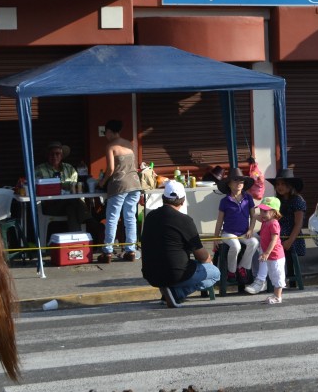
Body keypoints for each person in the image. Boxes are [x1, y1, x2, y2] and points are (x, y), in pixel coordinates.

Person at [141, 180, 220, 308]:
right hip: (175, 273)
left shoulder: (150, 217)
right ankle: (176, 292)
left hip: (151, 274)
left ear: (163, 198)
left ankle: (168, 292)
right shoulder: (184, 220)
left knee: (192, 265)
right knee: (215, 273)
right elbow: (202, 256)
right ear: (183, 201)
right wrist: (208, 260)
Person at [96, 120, 142, 263]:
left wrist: (102, 182)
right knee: (130, 217)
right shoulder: (129, 143)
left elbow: (110, 169)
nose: (106, 136)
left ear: (110, 131)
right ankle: (131, 250)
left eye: (106, 133)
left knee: (112, 218)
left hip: (119, 185)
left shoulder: (110, 146)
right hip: (134, 183)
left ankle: (107, 251)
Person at [213, 168, 261, 284]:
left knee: (254, 242)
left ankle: (242, 267)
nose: (239, 183)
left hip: (244, 233)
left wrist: (250, 229)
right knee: (236, 246)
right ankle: (231, 271)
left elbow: (253, 216)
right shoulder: (224, 201)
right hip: (228, 233)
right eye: (236, 180)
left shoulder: (248, 198)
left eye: (241, 181)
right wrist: (215, 238)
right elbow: (219, 221)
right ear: (229, 184)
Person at [36, 141, 97, 232]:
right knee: (73, 202)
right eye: (51, 154)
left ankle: (75, 239)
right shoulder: (40, 169)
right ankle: (90, 222)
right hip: (50, 206)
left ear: (62, 155)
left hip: (69, 205)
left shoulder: (69, 169)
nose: (54, 156)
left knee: (71, 208)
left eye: (57, 154)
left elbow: (76, 187)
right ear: (47, 155)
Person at [266, 167, 307, 279]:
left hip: (291, 237)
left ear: (290, 185)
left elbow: (298, 224)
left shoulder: (298, 200)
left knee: (290, 266)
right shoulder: (277, 200)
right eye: (278, 184)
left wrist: (289, 241)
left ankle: (291, 283)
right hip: (277, 233)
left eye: (283, 184)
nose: (279, 187)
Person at [246, 196, 285, 303]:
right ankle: (275, 295)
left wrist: (266, 252)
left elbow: (274, 240)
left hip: (275, 255)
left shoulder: (273, 223)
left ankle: (278, 297)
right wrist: (251, 227)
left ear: (274, 212)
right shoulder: (266, 221)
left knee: (277, 275)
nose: (262, 214)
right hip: (270, 255)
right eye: (261, 210)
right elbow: (254, 215)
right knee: (273, 275)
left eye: (265, 211)